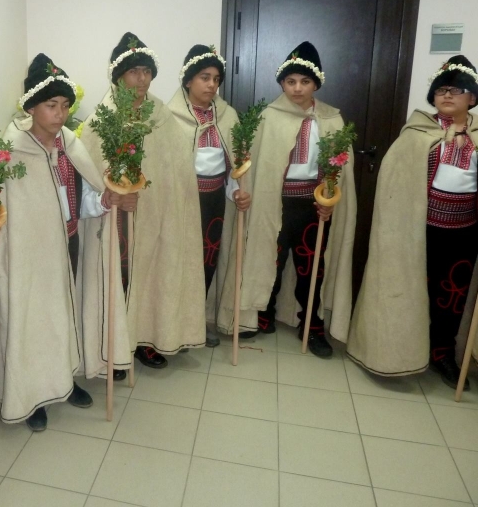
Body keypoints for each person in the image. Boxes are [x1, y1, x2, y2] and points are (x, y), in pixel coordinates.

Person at [0, 53, 130, 432]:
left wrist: (104, 200)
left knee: (64, 314)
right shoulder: (11, 150)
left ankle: (65, 380)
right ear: (31, 107)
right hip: (30, 253)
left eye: (65, 105)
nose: (60, 114)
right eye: (51, 105)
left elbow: (82, 200)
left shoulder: (70, 144)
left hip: (68, 242)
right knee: (34, 320)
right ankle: (33, 395)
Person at [347, 55, 478, 389]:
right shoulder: (418, 133)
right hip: (418, 231)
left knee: (452, 295)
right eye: (441, 90)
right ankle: (400, 352)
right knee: (411, 292)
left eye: (457, 90)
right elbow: (397, 180)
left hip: (464, 232)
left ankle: (443, 354)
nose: (447, 95)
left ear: (472, 97)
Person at [220, 41, 356, 357]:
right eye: (291, 81)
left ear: (316, 84)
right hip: (276, 203)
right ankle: (262, 312)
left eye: (305, 81)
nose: (297, 88)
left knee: (312, 267)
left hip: (314, 206)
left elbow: (339, 169)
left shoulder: (331, 120)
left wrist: (330, 200)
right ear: (282, 83)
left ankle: (312, 324)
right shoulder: (268, 117)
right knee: (272, 259)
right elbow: (254, 163)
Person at [81, 32, 206, 372]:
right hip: (115, 218)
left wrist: (163, 202)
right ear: (119, 76)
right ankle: (113, 348)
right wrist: (115, 195)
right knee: (118, 277)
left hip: (156, 217)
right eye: (134, 71)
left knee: (151, 276)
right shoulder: (102, 119)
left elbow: (176, 168)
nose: (142, 79)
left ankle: (144, 339)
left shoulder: (160, 115)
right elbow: (89, 171)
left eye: (147, 71)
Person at [166, 44, 251, 348]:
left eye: (216, 79)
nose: (211, 85)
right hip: (181, 203)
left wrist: (237, 191)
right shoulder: (169, 117)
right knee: (179, 264)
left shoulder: (227, 116)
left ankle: (196, 323)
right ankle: (171, 327)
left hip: (214, 201)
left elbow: (234, 166)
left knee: (207, 261)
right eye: (204, 77)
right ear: (188, 79)